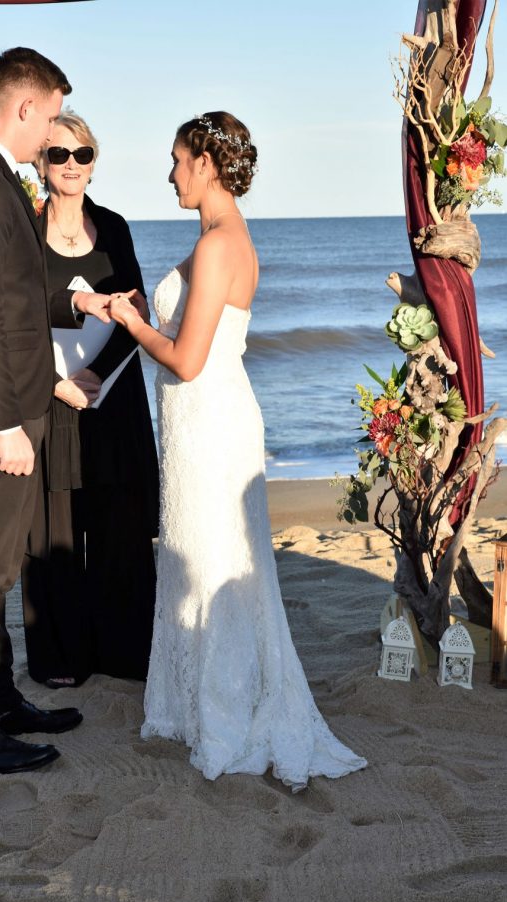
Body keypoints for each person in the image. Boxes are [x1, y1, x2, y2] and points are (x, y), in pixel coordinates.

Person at [109, 112, 367, 789]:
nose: (168, 173)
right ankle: (200, 702)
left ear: (206, 162)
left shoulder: (221, 244)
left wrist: (136, 325)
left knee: (211, 557)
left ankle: (223, 710)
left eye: (175, 159)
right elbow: (185, 326)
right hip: (203, 421)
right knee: (204, 553)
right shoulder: (218, 239)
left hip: (209, 420)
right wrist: (142, 310)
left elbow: (187, 360)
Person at [0, 48, 105, 773]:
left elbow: (11, 297)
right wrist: (5, 423)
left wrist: (75, 302)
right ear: (25, 106)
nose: (55, 131)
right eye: (52, 113)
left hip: (12, 405)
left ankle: (0, 700)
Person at [21, 112, 159, 688]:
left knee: (118, 526)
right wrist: (59, 384)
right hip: (50, 399)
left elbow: (137, 308)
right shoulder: (24, 231)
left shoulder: (116, 227)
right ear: (40, 163)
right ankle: (61, 660)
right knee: (55, 531)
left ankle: (122, 653)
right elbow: (15, 318)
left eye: (82, 154)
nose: (71, 165)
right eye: (59, 155)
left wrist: (96, 374)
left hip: (112, 394)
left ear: (94, 162)